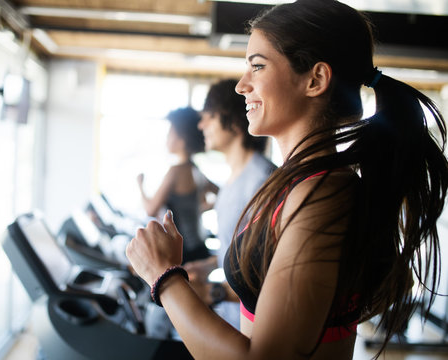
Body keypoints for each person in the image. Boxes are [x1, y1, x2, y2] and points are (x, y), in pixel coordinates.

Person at [126, 0, 448, 359]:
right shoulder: (295, 184)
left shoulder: (325, 192)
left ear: (315, 80)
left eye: (258, 67)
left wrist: (164, 278)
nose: (241, 86)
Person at [184, 79, 277, 330]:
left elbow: (270, 274)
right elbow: (242, 251)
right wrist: (207, 266)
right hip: (230, 316)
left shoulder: (261, 179)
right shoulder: (234, 177)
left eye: (209, 117)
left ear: (235, 121)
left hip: (250, 327)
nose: (201, 125)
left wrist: (211, 292)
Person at [137, 106, 218, 264]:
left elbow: (150, 209)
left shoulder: (175, 172)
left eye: (170, 134)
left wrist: (140, 185)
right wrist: (199, 209)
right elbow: (222, 193)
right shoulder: (196, 169)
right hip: (200, 247)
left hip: (184, 251)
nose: (167, 139)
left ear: (181, 141)